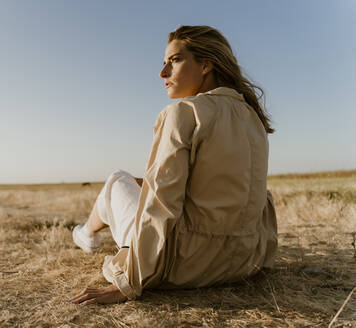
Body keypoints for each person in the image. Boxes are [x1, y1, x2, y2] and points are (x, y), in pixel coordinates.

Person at [69, 25, 278, 305]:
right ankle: (87, 233)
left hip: (185, 267)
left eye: (174, 60)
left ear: (206, 65)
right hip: (242, 262)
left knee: (118, 180)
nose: (162, 73)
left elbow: (161, 203)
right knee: (138, 183)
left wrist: (130, 281)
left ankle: (86, 234)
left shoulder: (183, 112)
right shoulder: (254, 119)